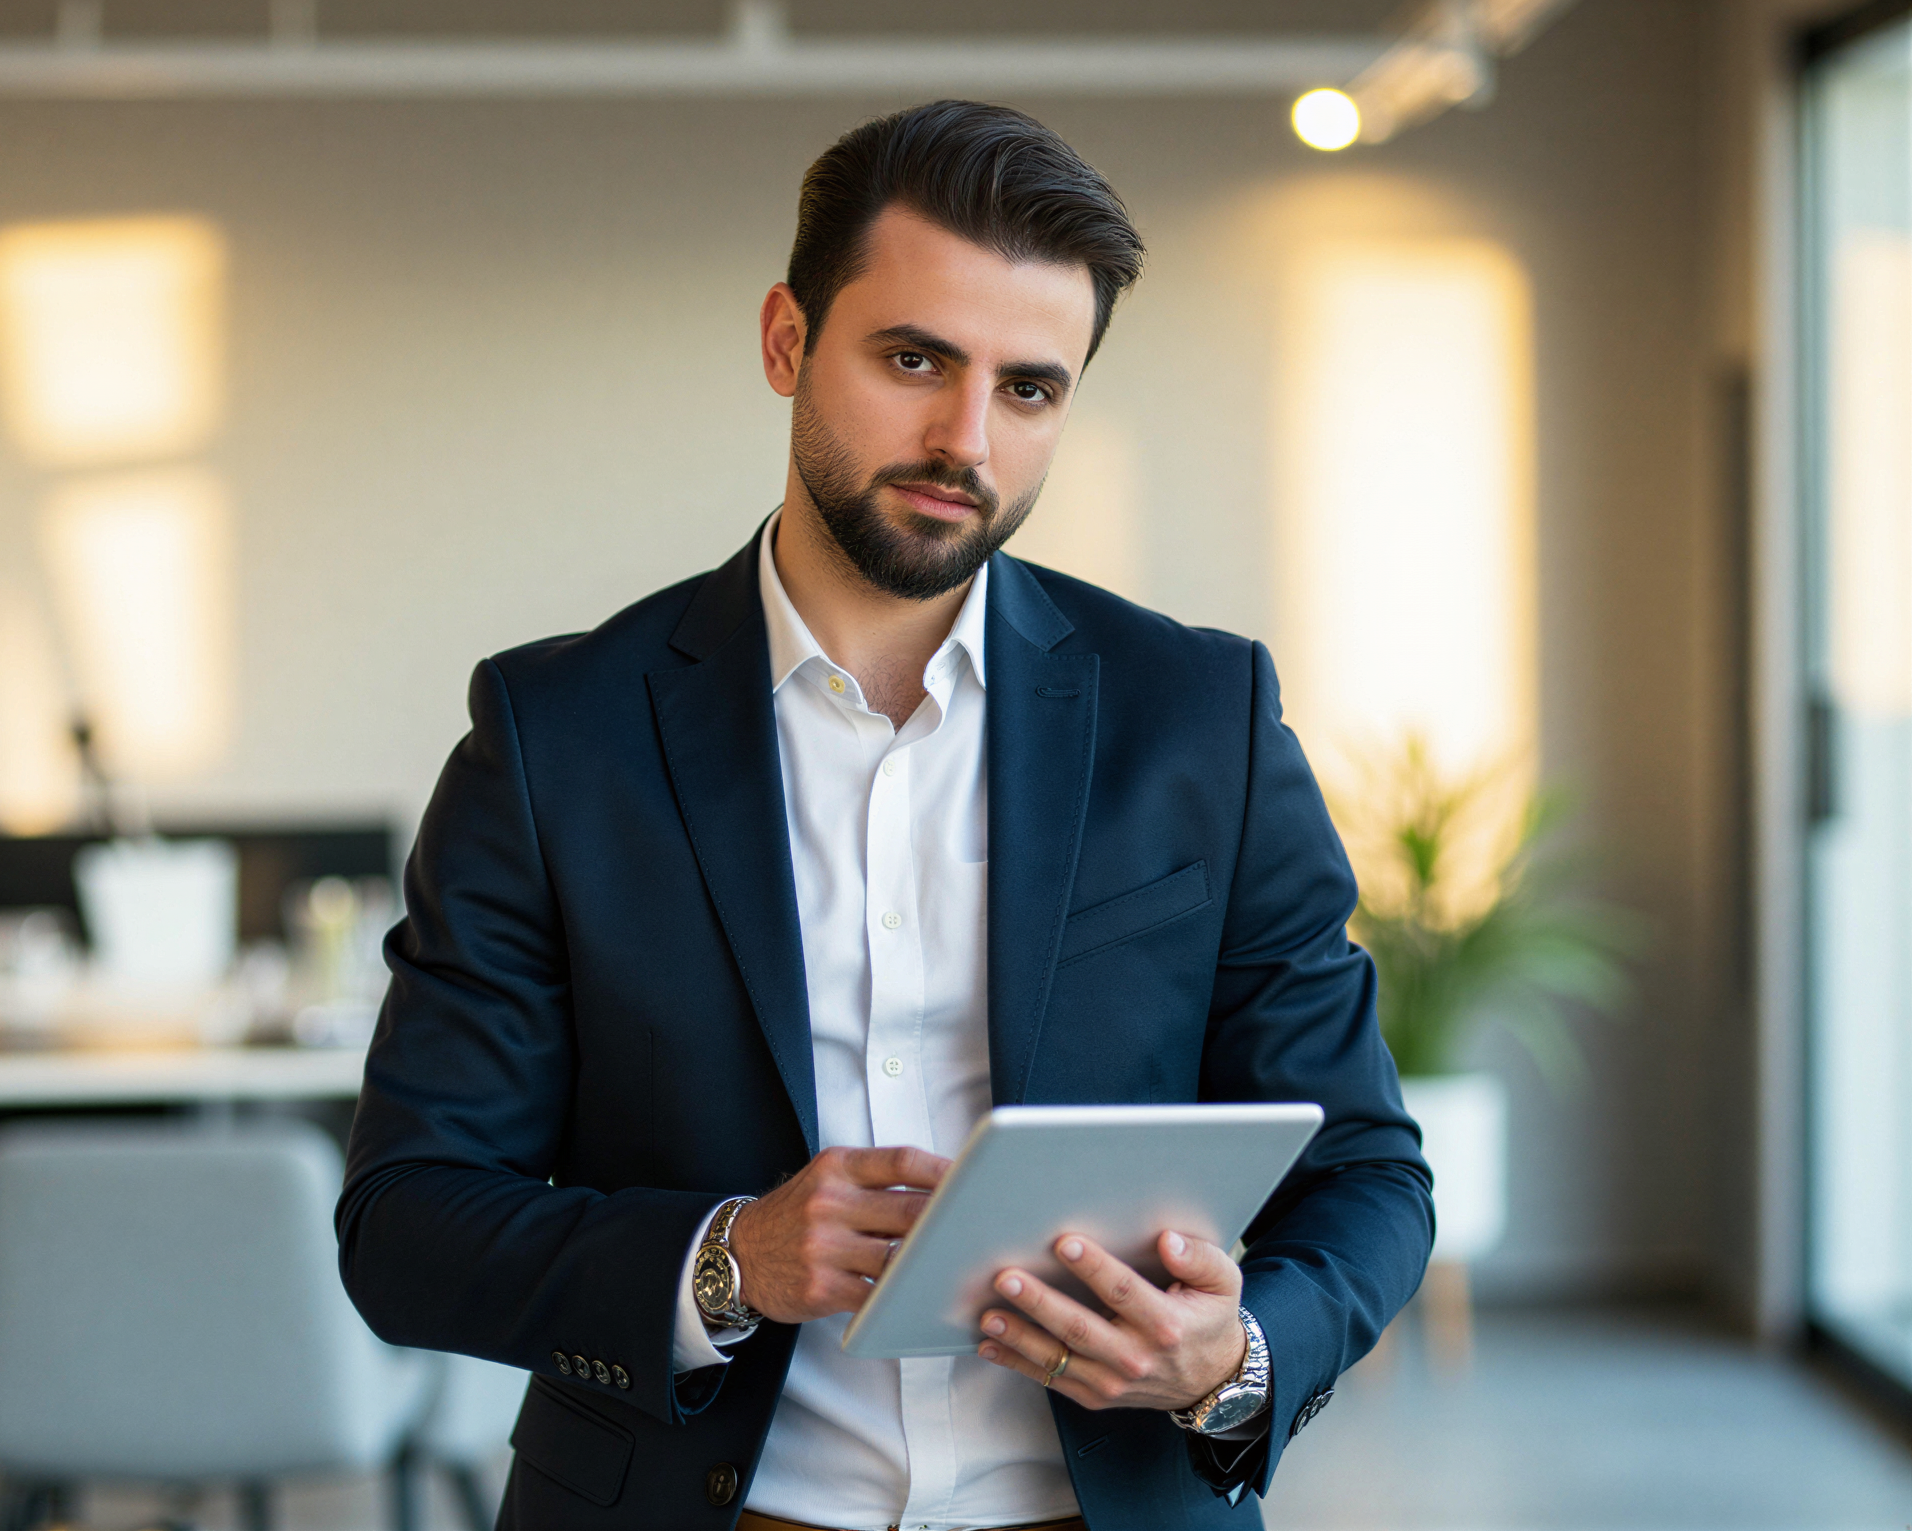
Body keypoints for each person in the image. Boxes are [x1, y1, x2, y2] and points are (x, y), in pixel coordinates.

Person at [339, 100, 1432, 1530]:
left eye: (1029, 388)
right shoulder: (558, 739)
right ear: (788, 341)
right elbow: (408, 1220)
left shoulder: (1198, 717)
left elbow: (1367, 1171)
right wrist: (729, 1258)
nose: (963, 437)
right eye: (914, 359)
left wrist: (1235, 1358)